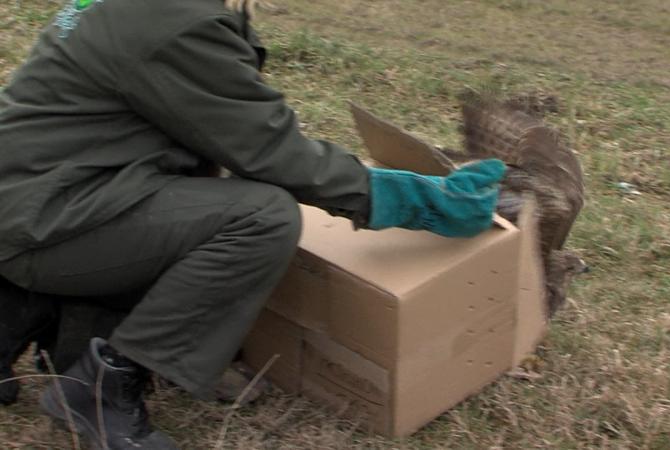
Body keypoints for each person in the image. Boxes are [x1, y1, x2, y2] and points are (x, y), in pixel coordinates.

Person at [0, 0, 505, 448]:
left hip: (41, 199)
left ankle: (27, 325)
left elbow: (206, 127)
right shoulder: (174, 22)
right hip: (43, 221)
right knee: (260, 218)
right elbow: (272, 153)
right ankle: (103, 387)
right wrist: (420, 201)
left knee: (206, 200)